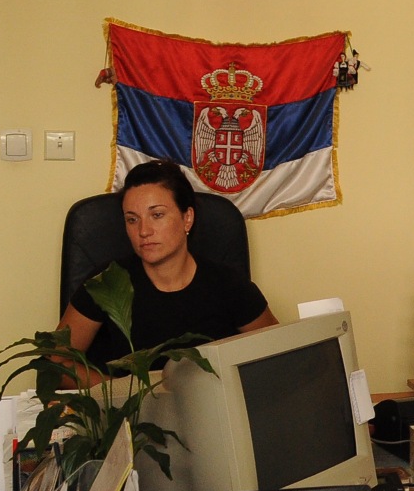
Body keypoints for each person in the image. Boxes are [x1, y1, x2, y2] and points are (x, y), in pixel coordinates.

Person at [57, 159, 278, 387]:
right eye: (132, 219)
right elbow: (55, 364)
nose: (144, 231)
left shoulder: (229, 285)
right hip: (128, 408)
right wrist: (122, 393)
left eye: (157, 215)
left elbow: (278, 356)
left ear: (187, 218)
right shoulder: (107, 281)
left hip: (210, 406)